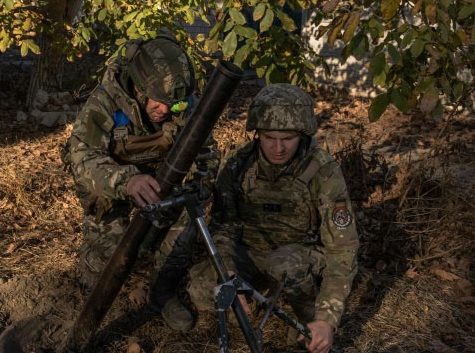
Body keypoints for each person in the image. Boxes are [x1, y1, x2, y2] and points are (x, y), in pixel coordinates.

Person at [186, 84, 359, 353]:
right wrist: (228, 275)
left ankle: (305, 314)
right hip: (250, 253)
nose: (278, 148)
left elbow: (342, 249)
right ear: (257, 134)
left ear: (302, 135)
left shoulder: (322, 170)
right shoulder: (238, 164)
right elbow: (223, 229)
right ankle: (254, 298)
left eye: (287, 138)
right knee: (200, 287)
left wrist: (327, 319)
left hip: (299, 254)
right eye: (269, 137)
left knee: (285, 265)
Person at [63, 35, 215, 331]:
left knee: (185, 228)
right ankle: (96, 289)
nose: (168, 110)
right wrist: (128, 181)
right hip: (113, 190)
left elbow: (205, 149)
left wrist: (202, 185)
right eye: (160, 102)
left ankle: (161, 293)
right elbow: (83, 160)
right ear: (139, 87)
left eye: (176, 104)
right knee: (107, 259)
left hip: (160, 186)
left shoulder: (179, 101)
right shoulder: (104, 103)